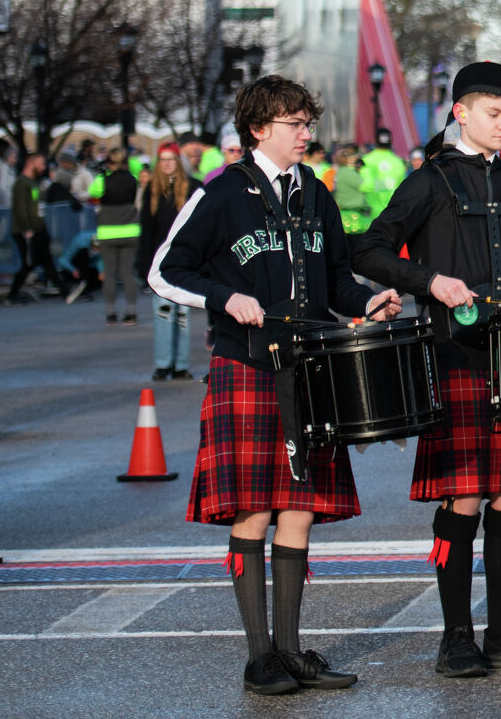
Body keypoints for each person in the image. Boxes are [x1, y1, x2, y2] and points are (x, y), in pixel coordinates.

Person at [148, 74, 402, 696]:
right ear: (260, 129)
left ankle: (290, 652)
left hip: (310, 366)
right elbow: (163, 271)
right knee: (255, 509)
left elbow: (336, 276)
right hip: (248, 367)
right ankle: (259, 655)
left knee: (300, 510)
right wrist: (226, 295)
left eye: (308, 124)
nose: (306, 135)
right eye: (295, 125)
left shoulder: (314, 191)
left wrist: (367, 302)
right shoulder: (222, 192)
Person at [355, 62, 501, 679]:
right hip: (456, 357)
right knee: (463, 496)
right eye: (493, 113)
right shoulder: (427, 182)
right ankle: (456, 637)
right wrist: (428, 280)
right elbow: (369, 249)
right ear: (460, 112)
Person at [137, 144, 203, 381]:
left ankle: (181, 365)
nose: (166, 164)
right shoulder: (152, 191)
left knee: (183, 313)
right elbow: (146, 231)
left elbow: (204, 227)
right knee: (164, 312)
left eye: (170, 159)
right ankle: (163, 363)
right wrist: (143, 265)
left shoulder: (194, 188)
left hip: (187, 261)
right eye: (162, 160)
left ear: (178, 161)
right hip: (160, 262)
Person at [89, 146, 142, 325]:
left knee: (109, 273)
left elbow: (92, 193)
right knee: (127, 273)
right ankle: (132, 312)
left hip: (107, 231)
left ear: (109, 162)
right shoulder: (132, 180)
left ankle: (111, 313)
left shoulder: (101, 180)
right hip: (130, 230)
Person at [6, 152, 58, 304]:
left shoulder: (34, 183)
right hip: (25, 232)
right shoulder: (22, 183)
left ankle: (64, 290)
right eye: (41, 164)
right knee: (27, 263)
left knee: (39, 261)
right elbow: (21, 209)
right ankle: (12, 295)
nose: (43, 168)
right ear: (31, 163)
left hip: (37, 229)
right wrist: (27, 229)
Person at [361, 125, 408, 221]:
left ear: (375, 141)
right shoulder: (399, 163)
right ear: (391, 141)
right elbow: (403, 190)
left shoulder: (365, 160)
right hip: (392, 217)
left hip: (368, 218)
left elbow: (361, 187)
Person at [331, 145, 371, 234]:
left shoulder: (342, 172)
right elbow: (368, 186)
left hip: (347, 219)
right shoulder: (347, 173)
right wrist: (365, 169)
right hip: (354, 221)